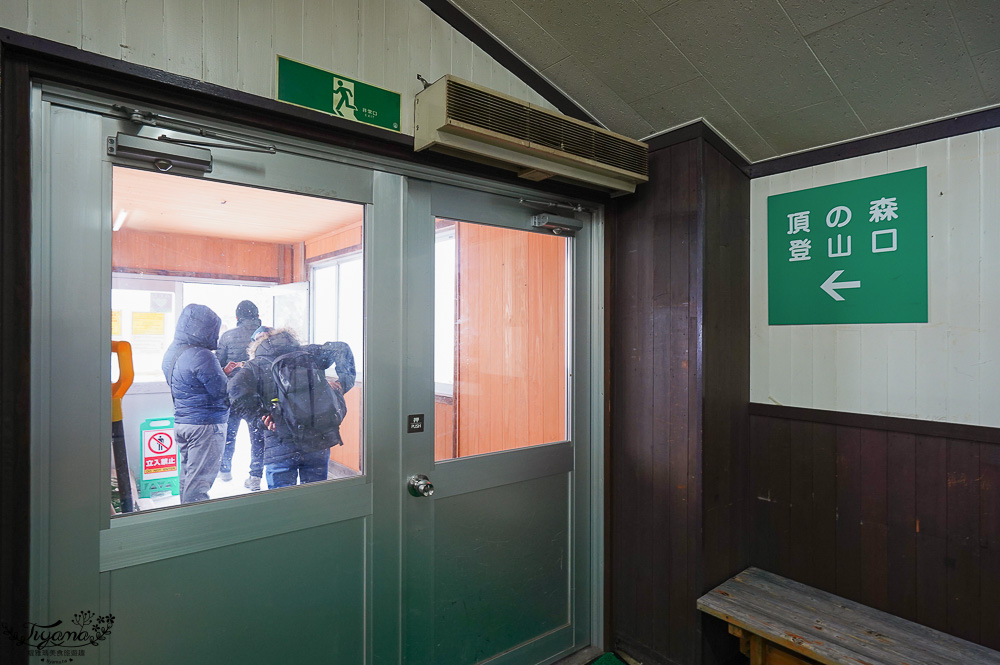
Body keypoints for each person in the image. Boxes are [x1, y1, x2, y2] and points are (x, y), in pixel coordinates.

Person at [227, 327, 355, 489]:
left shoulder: (255, 365)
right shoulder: (308, 354)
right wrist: (343, 383)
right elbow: (341, 348)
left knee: (283, 500)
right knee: (316, 496)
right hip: (317, 440)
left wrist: (260, 417)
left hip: (280, 443)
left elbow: (234, 389)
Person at [161, 303, 230, 503]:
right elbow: (222, 392)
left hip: (183, 422)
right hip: (205, 426)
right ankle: (197, 520)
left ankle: (186, 515)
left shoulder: (173, 351)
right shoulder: (203, 355)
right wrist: (234, 379)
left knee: (187, 478)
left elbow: (188, 383)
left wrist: (221, 372)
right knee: (199, 483)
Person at [215, 300, 265, 488]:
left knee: (229, 433)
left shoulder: (227, 336)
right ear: (257, 316)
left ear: (237, 317)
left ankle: (225, 470)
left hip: (233, 394)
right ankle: (255, 476)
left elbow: (218, 366)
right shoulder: (265, 336)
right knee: (258, 437)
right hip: (258, 395)